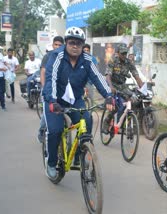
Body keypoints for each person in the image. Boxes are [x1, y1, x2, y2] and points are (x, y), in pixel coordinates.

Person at [42, 26, 114, 179]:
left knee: (87, 121)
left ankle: (79, 155)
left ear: (83, 46)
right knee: (55, 131)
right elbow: (51, 79)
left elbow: (98, 78)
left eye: (79, 44)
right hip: (54, 100)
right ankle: (51, 162)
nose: (75, 46)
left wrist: (108, 95)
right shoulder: (56, 57)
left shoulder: (87, 60)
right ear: (66, 43)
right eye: (72, 43)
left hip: (75, 100)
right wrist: (53, 101)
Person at [102, 43, 143, 134]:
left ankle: (130, 121)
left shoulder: (129, 62)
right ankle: (106, 122)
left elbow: (136, 76)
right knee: (115, 106)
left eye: (125, 53)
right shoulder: (113, 61)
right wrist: (111, 87)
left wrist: (143, 88)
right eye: (122, 53)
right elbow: (108, 76)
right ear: (118, 53)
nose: (124, 55)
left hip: (122, 85)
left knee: (135, 100)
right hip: (112, 84)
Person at [37, 35, 64, 144]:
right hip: (48, 90)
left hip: (60, 90)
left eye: (60, 45)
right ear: (52, 45)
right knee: (47, 112)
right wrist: (44, 89)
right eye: (55, 44)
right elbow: (43, 72)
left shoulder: (65, 58)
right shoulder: (48, 57)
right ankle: (42, 130)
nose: (57, 46)